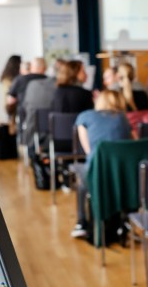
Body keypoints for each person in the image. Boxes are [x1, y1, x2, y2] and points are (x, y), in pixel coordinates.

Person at [71, 90, 134, 239]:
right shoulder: (123, 119)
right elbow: (132, 143)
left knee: (81, 181)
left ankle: (82, 222)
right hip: (122, 173)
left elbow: (88, 151)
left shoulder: (85, 117)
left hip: (97, 171)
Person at [19, 61, 57, 158]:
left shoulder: (27, 82)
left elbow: (17, 102)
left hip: (32, 125)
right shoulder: (55, 86)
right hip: (55, 130)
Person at [7, 56, 47, 128]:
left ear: (31, 67)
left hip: (25, 116)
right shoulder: (49, 80)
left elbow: (10, 100)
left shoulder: (20, 79)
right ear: (45, 68)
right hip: (45, 118)